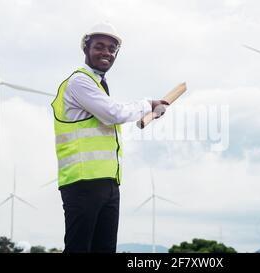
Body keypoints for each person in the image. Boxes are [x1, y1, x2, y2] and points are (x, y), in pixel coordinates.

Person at [51, 22, 168, 253]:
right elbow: (113, 113)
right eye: (99, 47)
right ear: (86, 49)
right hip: (82, 181)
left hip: (108, 182)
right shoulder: (79, 81)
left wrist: (150, 111)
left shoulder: (99, 85)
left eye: (111, 49)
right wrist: (148, 104)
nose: (106, 52)